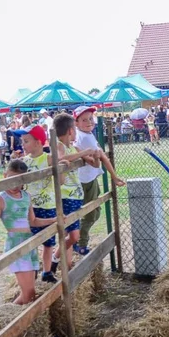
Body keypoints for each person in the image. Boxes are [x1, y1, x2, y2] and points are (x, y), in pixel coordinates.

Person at [0, 160, 57, 304]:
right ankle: (12, 316)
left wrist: (53, 219)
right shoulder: (0, 200)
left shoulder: (26, 196)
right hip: (15, 245)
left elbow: (33, 221)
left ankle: (17, 316)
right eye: (11, 179)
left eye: (19, 181)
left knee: (30, 294)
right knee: (28, 294)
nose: (15, 185)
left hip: (29, 243)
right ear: (4, 176)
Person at [50, 112, 102, 273]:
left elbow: (93, 164)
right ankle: (56, 261)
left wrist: (96, 156)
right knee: (70, 234)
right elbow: (60, 158)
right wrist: (83, 153)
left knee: (72, 235)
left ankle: (63, 261)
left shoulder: (74, 147)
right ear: (70, 131)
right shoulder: (59, 145)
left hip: (76, 195)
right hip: (66, 196)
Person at [71, 106, 124, 254]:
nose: (89, 122)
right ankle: (79, 243)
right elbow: (96, 160)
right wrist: (89, 157)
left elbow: (101, 155)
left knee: (93, 211)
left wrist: (114, 176)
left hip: (90, 178)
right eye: (84, 120)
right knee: (90, 213)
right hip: (84, 180)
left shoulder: (88, 135)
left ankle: (76, 240)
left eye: (90, 118)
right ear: (76, 123)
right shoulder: (82, 137)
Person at [16, 125, 61, 282]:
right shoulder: (23, 161)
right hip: (30, 207)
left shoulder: (47, 159)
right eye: (22, 141)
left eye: (26, 141)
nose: (23, 144)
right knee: (32, 242)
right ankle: (33, 270)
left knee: (48, 243)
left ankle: (47, 272)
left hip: (47, 205)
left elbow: (60, 180)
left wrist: (61, 168)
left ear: (38, 142)